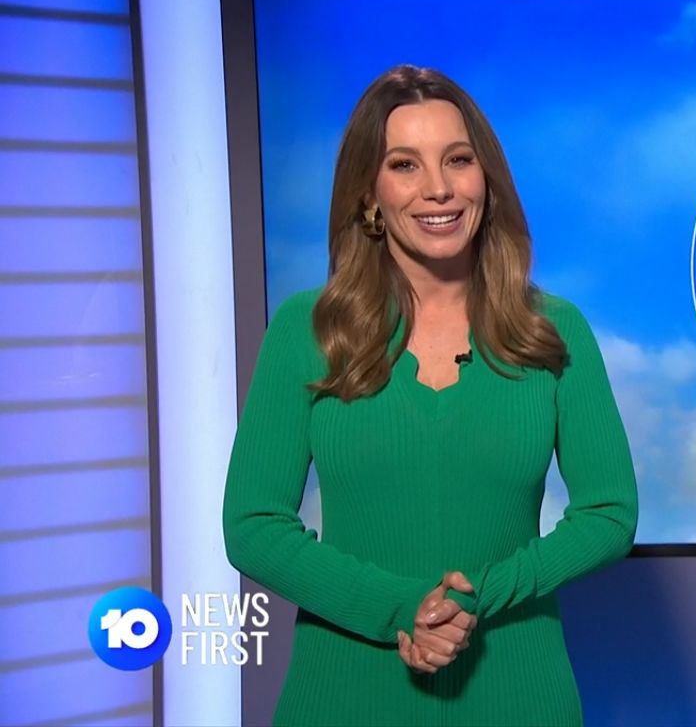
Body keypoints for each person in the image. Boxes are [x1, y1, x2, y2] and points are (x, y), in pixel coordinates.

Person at [223, 64, 638, 726]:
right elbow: (252, 526)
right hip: (345, 700)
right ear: (369, 194)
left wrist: (475, 599)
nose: (438, 188)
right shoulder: (309, 329)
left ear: (486, 181)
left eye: (458, 160)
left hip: (518, 697)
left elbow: (610, 513)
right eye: (405, 165)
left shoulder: (554, 330)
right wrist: (400, 609)